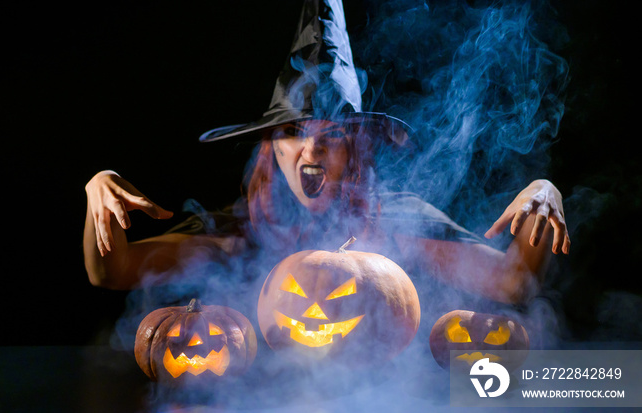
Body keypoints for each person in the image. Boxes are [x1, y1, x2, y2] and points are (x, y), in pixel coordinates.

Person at [83, 0, 570, 308]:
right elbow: (110, 270)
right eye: (294, 132)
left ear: (355, 151)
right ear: (271, 149)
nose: (311, 146)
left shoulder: (398, 223)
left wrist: (543, 194)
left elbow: (513, 285)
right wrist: (98, 184)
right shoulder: (240, 234)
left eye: (332, 134)